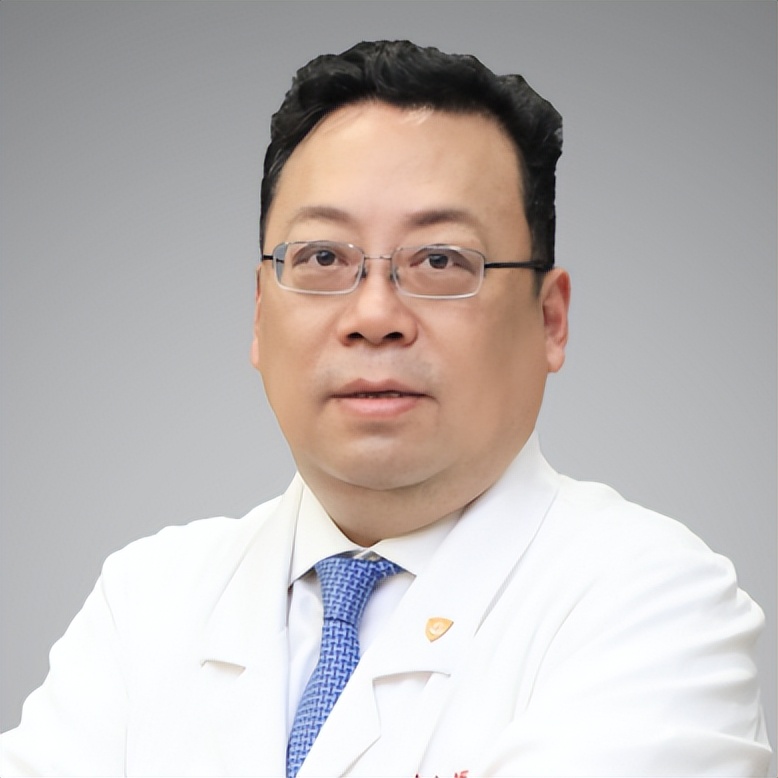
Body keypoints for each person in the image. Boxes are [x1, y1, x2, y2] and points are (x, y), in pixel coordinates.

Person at [0, 39, 771, 777]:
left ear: (550, 320)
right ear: (260, 315)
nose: (374, 316)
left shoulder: (656, 600)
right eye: (322, 257)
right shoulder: (147, 599)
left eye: (440, 260)